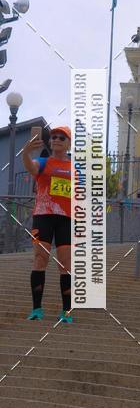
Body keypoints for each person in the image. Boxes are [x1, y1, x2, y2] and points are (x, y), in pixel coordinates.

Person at [22, 126, 74, 323]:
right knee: (40, 259)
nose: (56, 139)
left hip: (66, 219)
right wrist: (26, 152)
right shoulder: (43, 162)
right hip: (43, 217)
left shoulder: (76, 168)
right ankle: (37, 310)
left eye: (61, 137)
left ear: (69, 143)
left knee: (66, 264)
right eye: (53, 137)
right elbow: (31, 167)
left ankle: (66, 312)